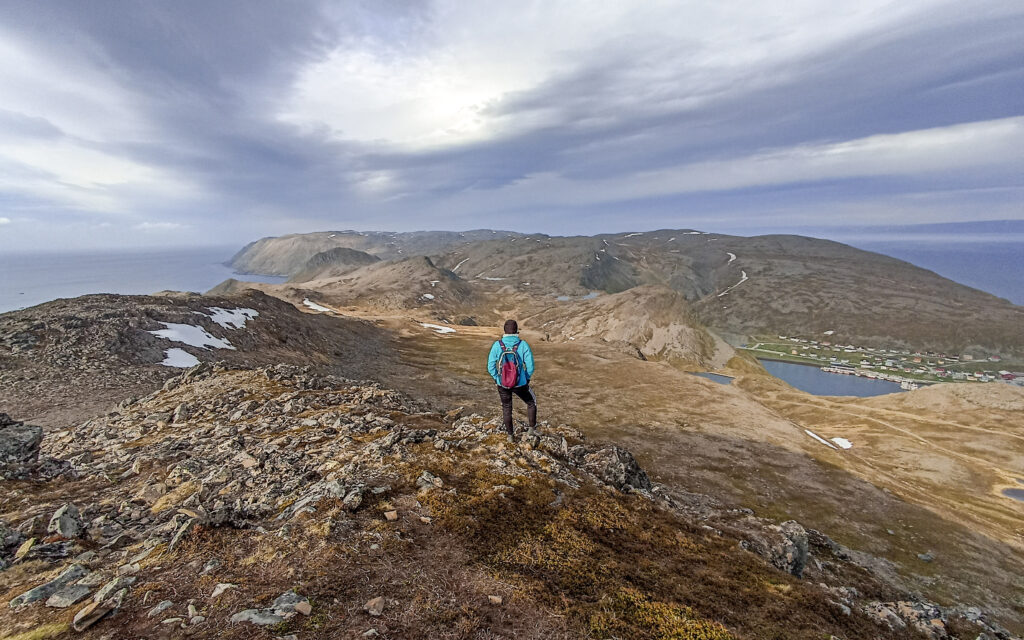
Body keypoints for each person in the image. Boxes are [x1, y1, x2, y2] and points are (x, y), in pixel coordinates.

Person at [487, 319, 536, 442]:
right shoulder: (523, 345)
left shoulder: (497, 345)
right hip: (520, 383)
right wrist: (526, 378)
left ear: (505, 331)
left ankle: (510, 436)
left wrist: (497, 378)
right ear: (516, 331)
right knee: (531, 402)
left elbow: (490, 366)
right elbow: (530, 366)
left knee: (507, 408)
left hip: (502, 384)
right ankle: (531, 429)